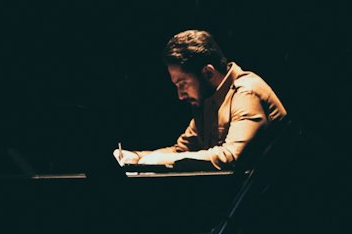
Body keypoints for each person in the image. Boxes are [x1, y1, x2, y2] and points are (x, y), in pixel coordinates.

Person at [115, 29, 288, 171]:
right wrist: (137, 158)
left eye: (182, 84)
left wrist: (161, 160)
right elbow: (181, 150)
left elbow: (231, 157)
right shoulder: (208, 101)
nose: (180, 95)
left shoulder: (246, 92)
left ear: (208, 73)